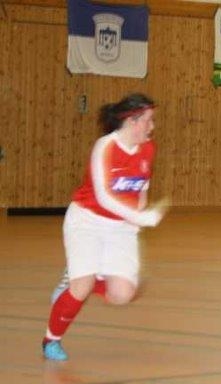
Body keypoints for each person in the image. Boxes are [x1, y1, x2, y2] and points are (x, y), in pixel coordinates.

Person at [41, 93, 167, 361]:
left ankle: (85, 274)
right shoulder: (105, 147)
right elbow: (104, 197)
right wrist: (142, 219)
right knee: (81, 287)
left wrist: (137, 217)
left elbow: (141, 189)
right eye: (148, 120)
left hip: (120, 227)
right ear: (132, 121)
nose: (152, 126)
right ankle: (52, 339)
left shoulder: (148, 149)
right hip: (87, 220)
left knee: (122, 294)